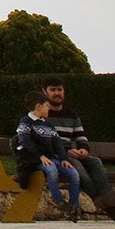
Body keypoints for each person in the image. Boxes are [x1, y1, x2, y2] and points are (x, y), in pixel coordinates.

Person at [43, 77, 115, 222]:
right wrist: (66, 153)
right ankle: (108, 204)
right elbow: (44, 143)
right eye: (53, 90)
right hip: (57, 155)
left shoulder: (72, 115)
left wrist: (83, 149)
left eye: (60, 90)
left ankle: (106, 196)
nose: (57, 93)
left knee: (95, 162)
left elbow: (80, 137)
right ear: (44, 92)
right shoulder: (43, 115)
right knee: (77, 167)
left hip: (72, 153)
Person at [16, 91, 81, 221]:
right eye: (46, 106)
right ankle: (59, 202)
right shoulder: (26, 122)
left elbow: (57, 143)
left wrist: (63, 159)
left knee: (74, 173)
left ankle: (74, 207)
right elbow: (25, 141)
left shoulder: (48, 125)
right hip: (35, 161)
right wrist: (40, 156)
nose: (49, 108)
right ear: (38, 106)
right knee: (52, 171)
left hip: (51, 159)